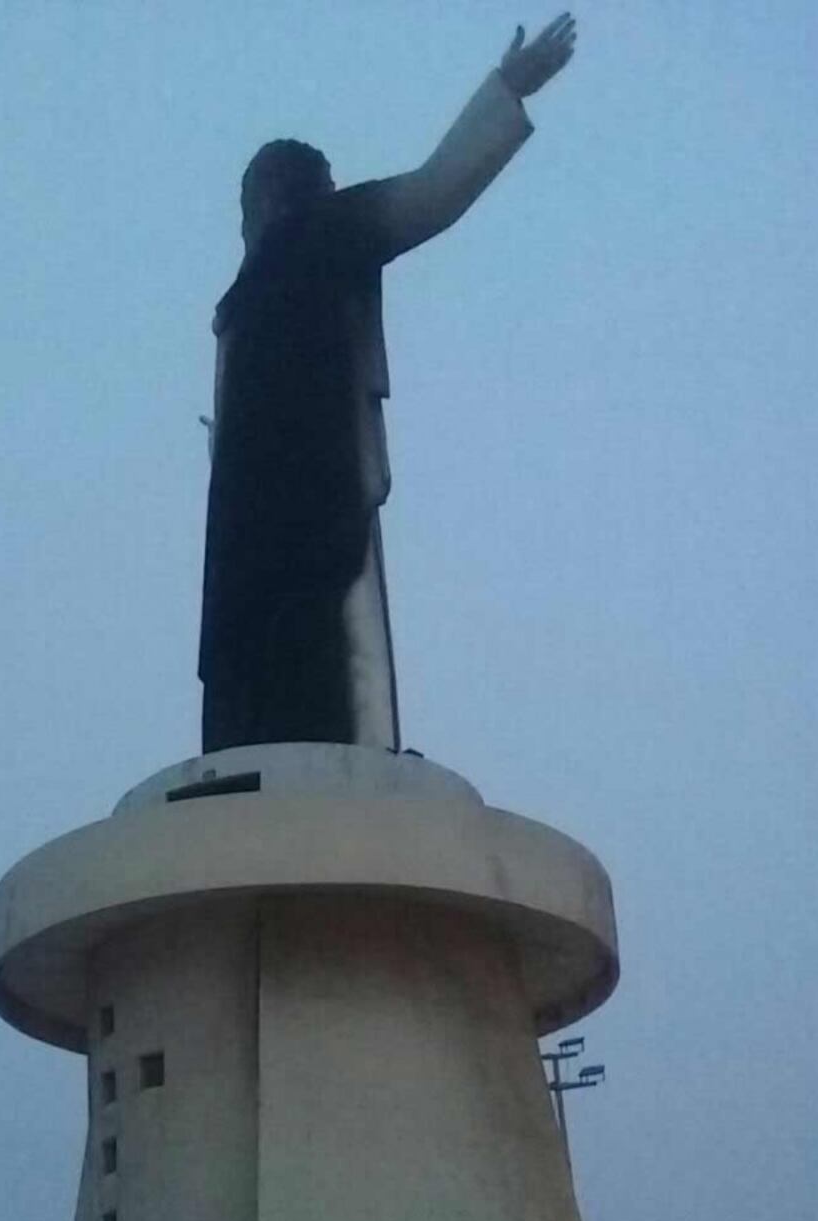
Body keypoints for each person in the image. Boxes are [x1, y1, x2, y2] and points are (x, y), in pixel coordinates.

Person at [200, 16, 578, 753]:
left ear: (280, 197)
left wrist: (507, 89)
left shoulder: (324, 232)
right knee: (257, 648)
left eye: (252, 201)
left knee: (323, 627)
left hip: (317, 487)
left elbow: (431, 194)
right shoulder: (239, 303)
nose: (246, 220)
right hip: (250, 513)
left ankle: (332, 753)